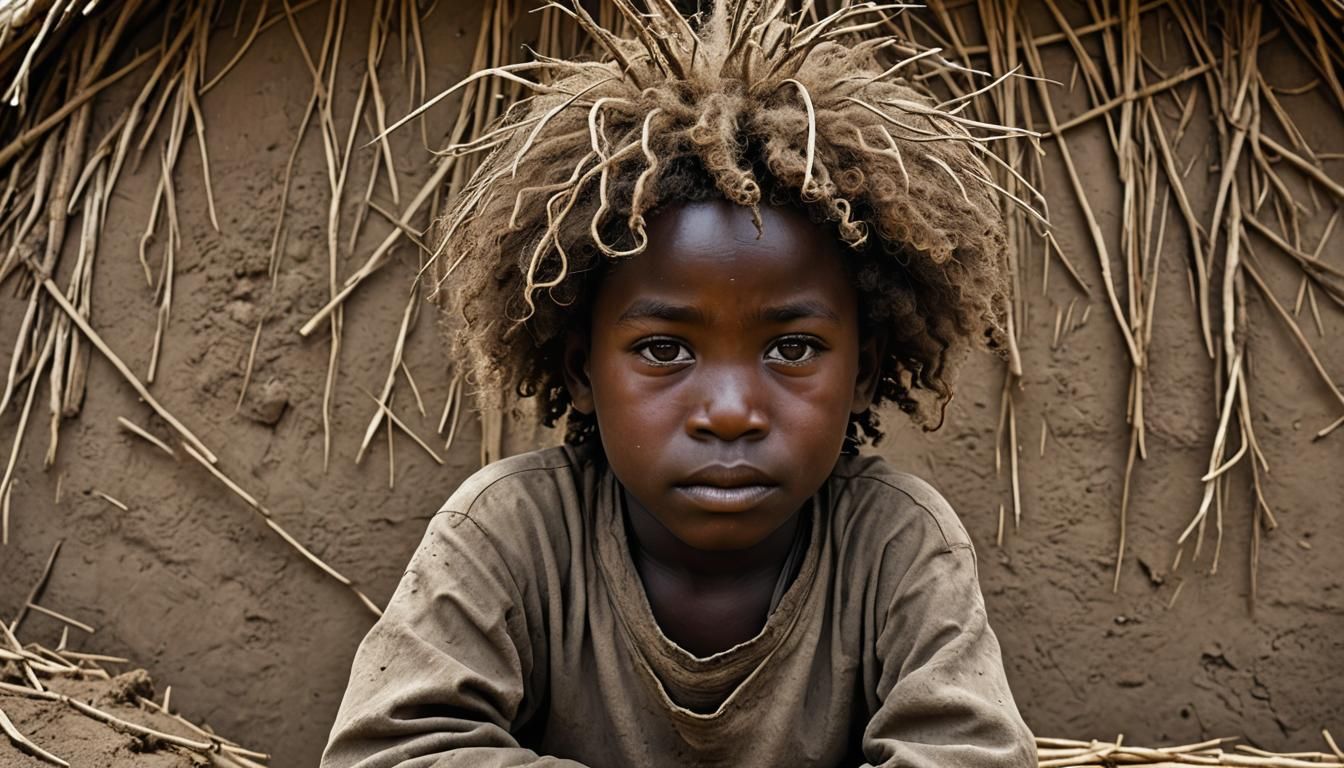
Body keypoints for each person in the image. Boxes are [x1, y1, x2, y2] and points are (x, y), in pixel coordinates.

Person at [323, 2, 1036, 766]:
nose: (730, 412)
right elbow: (392, 752)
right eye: (664, 349)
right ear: (581, 370)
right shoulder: (508, 535)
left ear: (860, 372)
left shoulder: (896, 544)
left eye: (792, 347)